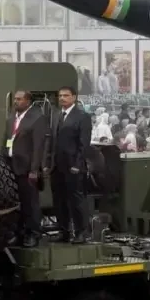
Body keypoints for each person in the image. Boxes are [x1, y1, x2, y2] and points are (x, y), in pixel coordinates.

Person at [45, 85, 91, 243]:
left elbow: (84, 144)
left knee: (76, 200)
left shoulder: (82, 116)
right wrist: (48, 162)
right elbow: (52, 141)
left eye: (65, 95)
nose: (62, 98)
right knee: (59, 200)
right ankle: (63, 231)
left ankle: (81, 232)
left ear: (74, 97)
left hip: (73, 166)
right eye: (60, 96)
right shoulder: (56, 115)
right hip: (57, 166)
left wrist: (77, 164)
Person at [6, 90, 47, 247]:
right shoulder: (12, 118)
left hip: (27, 168)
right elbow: (7, 140)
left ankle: (33, 233)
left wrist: (34, 170)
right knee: (17, 203)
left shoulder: (37, 118)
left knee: (30, 202)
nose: (16, 101)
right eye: (15, 99)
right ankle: (19, 233)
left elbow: (38, 146)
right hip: (12, 165)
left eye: (19, 99)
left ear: (28, 101)